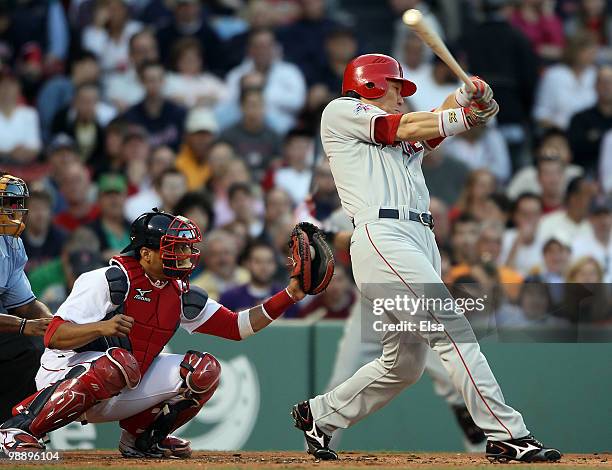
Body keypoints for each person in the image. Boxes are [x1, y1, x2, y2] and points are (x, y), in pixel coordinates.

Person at [291, 53, 561, 462]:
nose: (403, 96)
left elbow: (428, 130)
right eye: (397, 87)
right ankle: (507, 433)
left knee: (403, 366)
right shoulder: (343, 111)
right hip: (384, 236)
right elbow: (403, 126)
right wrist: (467, 117)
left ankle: (321, 415)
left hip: (417, 239)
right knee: (453, 330)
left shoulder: (397, 135)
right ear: (370, 84)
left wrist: (467, 96)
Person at [0, 209, 322, 458]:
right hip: (65, 375)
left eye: (185, 248)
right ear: (146, 253)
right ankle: (19, 430)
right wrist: (102, 327)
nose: (184, 255)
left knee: (204, 370)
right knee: (120, 363)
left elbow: (238, 327)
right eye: (174, 248)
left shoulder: (178, 291)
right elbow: (53, 336)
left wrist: (290, 294)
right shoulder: (110, 279)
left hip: (123, 380)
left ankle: (140, 440)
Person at [0, 175, 52, 422]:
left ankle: (12, 427)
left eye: (16, 203)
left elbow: (25, 304)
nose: (15, 210)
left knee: (38, 349)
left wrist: (54, 322)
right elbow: (23, 318)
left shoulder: (11, 243)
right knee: (24, 347)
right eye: (7, 203)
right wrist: (24, 326)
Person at [533, 31, 598, 130]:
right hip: (559, 134)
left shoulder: (595, 75)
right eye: (587, 51)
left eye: (593, 52)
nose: (591, 56)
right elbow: (541, 113)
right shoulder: (553, 75)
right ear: (574, 51)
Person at [219, 240, 299, 318]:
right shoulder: (229, 297)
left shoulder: (287, 298)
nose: (264, 267)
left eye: (269, 261)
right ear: (247, 264)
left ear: (275, 265)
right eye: (258, 261)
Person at [122, 61, 186, 151]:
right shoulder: (131, 114)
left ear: (164, 81)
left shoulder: (178, 112)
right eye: (150, 80)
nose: (155, 84)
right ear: (141, 82)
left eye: (158, 80)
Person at [568, 65, 612, 176]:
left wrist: (596, 138)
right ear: (595, 86)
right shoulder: (580, 119)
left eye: (610, 82)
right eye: (603, 82)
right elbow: (575, 151)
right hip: (588, 173)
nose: (607, 86)